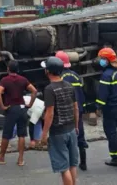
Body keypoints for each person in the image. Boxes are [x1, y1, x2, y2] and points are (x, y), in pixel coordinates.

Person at [41, 56, 79, 185]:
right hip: (71, 129)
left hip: (58, 132)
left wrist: (44, 134)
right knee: (72, 165)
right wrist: (76, 125)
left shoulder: (49, 89)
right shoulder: (69, 85)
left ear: (48, 71)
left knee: (64, 168)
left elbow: (49, 113)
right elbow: (76, 108)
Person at [0, 60, 37, 166]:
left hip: (11, 109)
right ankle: (20, 160)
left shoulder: (5, 80)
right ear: (17, 69)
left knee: (6, 134)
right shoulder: (23, 79)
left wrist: (2, 106)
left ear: (8, 69)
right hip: (22, 109)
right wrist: (29, 104)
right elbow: (34, 91)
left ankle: (1, 158)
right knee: (22, 135)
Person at [57, 51, 88, 171]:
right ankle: (83, 162)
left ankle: (70, 163)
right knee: (79, 134)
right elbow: (81, 93)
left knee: (67, 136)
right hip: (78, 109)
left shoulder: (61, 78)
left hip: (68, 111)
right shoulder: (76, 75)